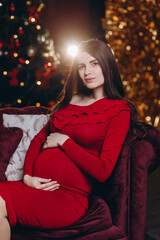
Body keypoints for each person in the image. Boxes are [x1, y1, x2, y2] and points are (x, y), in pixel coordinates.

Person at [0, 39, 136, 240]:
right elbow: (38, 140)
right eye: (81, 66)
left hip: (67, 198)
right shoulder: (70, 101)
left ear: (107, 64)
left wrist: (64, 142)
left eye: (94, 63)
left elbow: (103, 170)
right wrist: (28, 177)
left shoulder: (119, 111)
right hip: (37, 188)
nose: (87, 72)